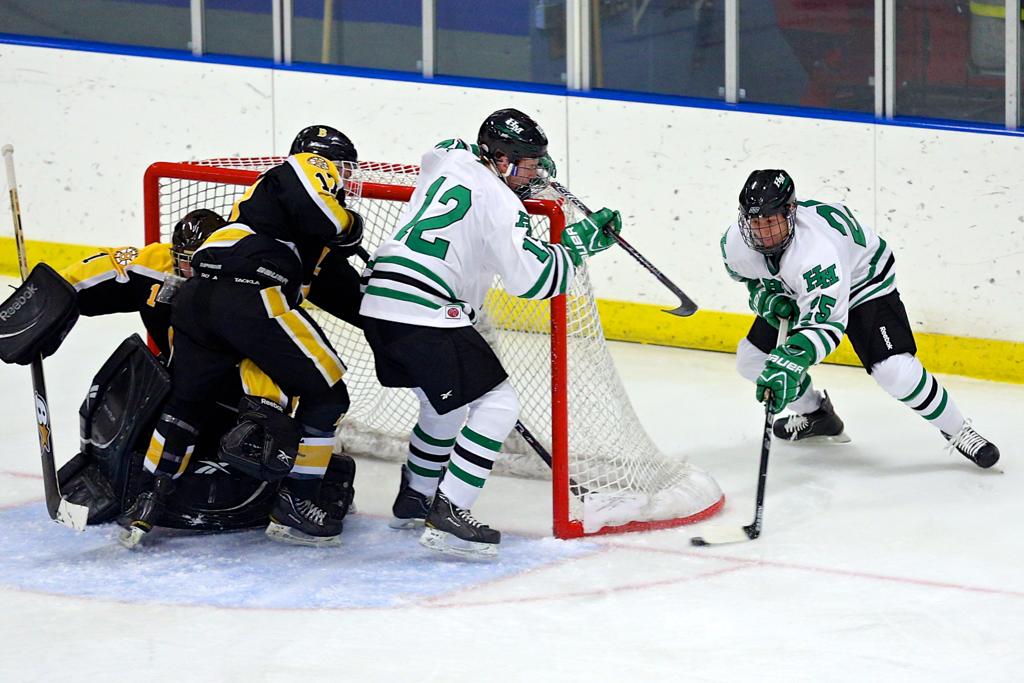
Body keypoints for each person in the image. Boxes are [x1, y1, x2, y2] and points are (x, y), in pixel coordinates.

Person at [359, 108, 623, 558]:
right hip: (424, 305)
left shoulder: (450, 159)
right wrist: (579, 244)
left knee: (442, 407)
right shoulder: (504, 204)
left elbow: (441, 149)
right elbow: (532, 281)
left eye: (539, 163)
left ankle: (415, 496)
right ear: (500, 160)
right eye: (527, 163)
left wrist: (513, 166)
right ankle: (450, 510)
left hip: (377, 298)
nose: (534, 172)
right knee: (498, 403)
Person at [118, 125, 365, 548]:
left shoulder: (272, 217)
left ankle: (146, 499)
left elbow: (331, 282)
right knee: (328, 395)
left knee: (186, 403)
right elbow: (329, 219)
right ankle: (297, 503)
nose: (344, 176)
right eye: (341, 167)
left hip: (199, 298)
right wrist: (351, 225)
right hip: (250, 295)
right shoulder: (306, 168)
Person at [720, 168, 999, 468]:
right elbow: (749, 280)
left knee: (893, 371)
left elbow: (825, 327)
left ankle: (959, 430)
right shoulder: (735, 243)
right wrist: (764, 298)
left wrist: (791, 362)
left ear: (790, 212)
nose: (762, 232)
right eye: (755, 221)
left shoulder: (816, 252)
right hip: (803, 286)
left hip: (863, 282)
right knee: (751, 359)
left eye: (770, 221)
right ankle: (818, 416)